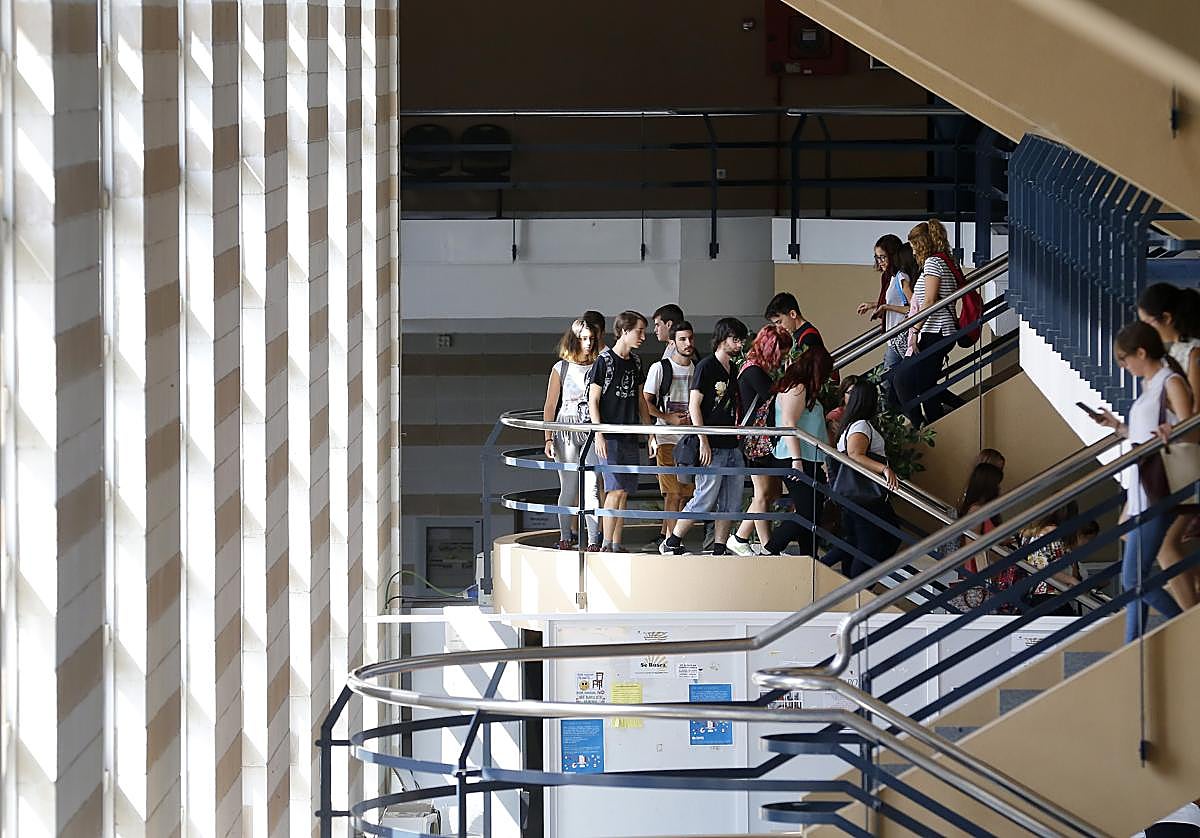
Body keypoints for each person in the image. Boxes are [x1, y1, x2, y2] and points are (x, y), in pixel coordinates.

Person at [1091, 321, 1192, 640]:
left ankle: (1189, 629)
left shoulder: (1170, 381)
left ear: (1141, 353)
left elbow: (1192, 431)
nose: (1124, 366)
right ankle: (1132, 644)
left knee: (1134, 579)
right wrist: (1117, 427)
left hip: (1158, 490)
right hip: (1141, 491)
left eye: (1124, 359)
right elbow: (1143, 436)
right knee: (1136, 579)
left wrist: (1174, 432)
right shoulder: (1151, 386)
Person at [660, 317, 750, 556]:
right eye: (735, 339)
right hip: (713, 443)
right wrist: (703, 440)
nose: (739, 344)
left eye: (740, 340)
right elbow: (694, 405)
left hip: (731, 443)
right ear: (722, 339)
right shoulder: (706, 366)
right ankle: (672, 541)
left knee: (731, 502)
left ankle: (720, 547)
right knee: (705, 498)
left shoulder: (733, 369)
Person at [819, 382, 901, 578]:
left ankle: (839, 576)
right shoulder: (861, 425)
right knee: (873, 545)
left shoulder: (851, 425)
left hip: (854, 495)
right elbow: (855, 455)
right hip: (864, 495)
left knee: (858, 542)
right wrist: (884, 469)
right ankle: (857, 588)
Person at [760, 343, 834, 557]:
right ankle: (770, 549)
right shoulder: (797, 388)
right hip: (795, 457)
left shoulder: (801, 388)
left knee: (813, 513)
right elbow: (789, 423)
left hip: (809, 458)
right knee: (806, 514)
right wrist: (797, 460)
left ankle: (809, 557)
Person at [725, 324, 794, 554]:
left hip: (756, 440)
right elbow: (776, 398)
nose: (782, 358)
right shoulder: (754, 371)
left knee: (767, 493)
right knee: (763, 493)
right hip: (755, 442)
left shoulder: (752, 368)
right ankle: (753, 542)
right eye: (781, 353)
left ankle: (761, 544)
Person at [587, 310, 649, 552]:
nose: (643, 337)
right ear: (624, 331)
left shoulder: (636, 362)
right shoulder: (604, 361)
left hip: (629, 434)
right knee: (615, 489)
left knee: (623, 492)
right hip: (610, 435)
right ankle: (605, 543)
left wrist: (649, 433)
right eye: (639, 331)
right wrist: (599, 433)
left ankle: (614, 542)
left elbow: (641, 399)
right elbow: (593, 399)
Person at [892, 219, 961, 427]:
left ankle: (918, 424)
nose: (913, 252)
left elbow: (930, 301)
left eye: (914, 246)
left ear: (922, 244)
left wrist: (914, 331)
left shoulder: (933, 263)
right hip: (939, 329)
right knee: (926, 385)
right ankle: (934, 422)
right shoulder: (945, 261)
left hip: (936, 329)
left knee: (901, 380)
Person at [542, 318, 602, 550]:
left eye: (591, 339)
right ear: (574, 340)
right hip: (565, 427)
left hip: (590, 427)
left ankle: (593, 539)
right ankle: (565, 536)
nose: (588, 343)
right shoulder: (561, 368)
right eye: (583, 339)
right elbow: (550, 405)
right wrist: (548, 438)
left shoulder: (598, 365)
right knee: (568, 485)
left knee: (591, 485)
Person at [641, 320, 697, 546]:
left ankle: (671, 539)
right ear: (672, 342)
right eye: (682, 339)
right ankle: (672, 542)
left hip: (689, 439)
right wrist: (666, 418)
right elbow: (645, 402)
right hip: (666, 436)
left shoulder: (696, 368)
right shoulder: (660, 368)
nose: (688, 343)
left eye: (690, 338)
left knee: (685, 493)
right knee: (672, 492)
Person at [857, 234, 913, 380]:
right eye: (877, 258)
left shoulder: (901, 277)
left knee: (889, 380)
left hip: (901, 336)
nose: (880, 262)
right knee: (893, 381)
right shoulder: (890, 277)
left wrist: (886, 307)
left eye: (883, 257)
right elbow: (896, 301)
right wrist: (874, 305)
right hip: (894, 337)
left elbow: (913, 308)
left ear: (892, 255)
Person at [1138, 283, 1200, 413]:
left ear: (1166, 318)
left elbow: (1195, 411)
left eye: (1148, 323)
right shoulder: (1172, 351)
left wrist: (1161, 399)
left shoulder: (1194, 352)